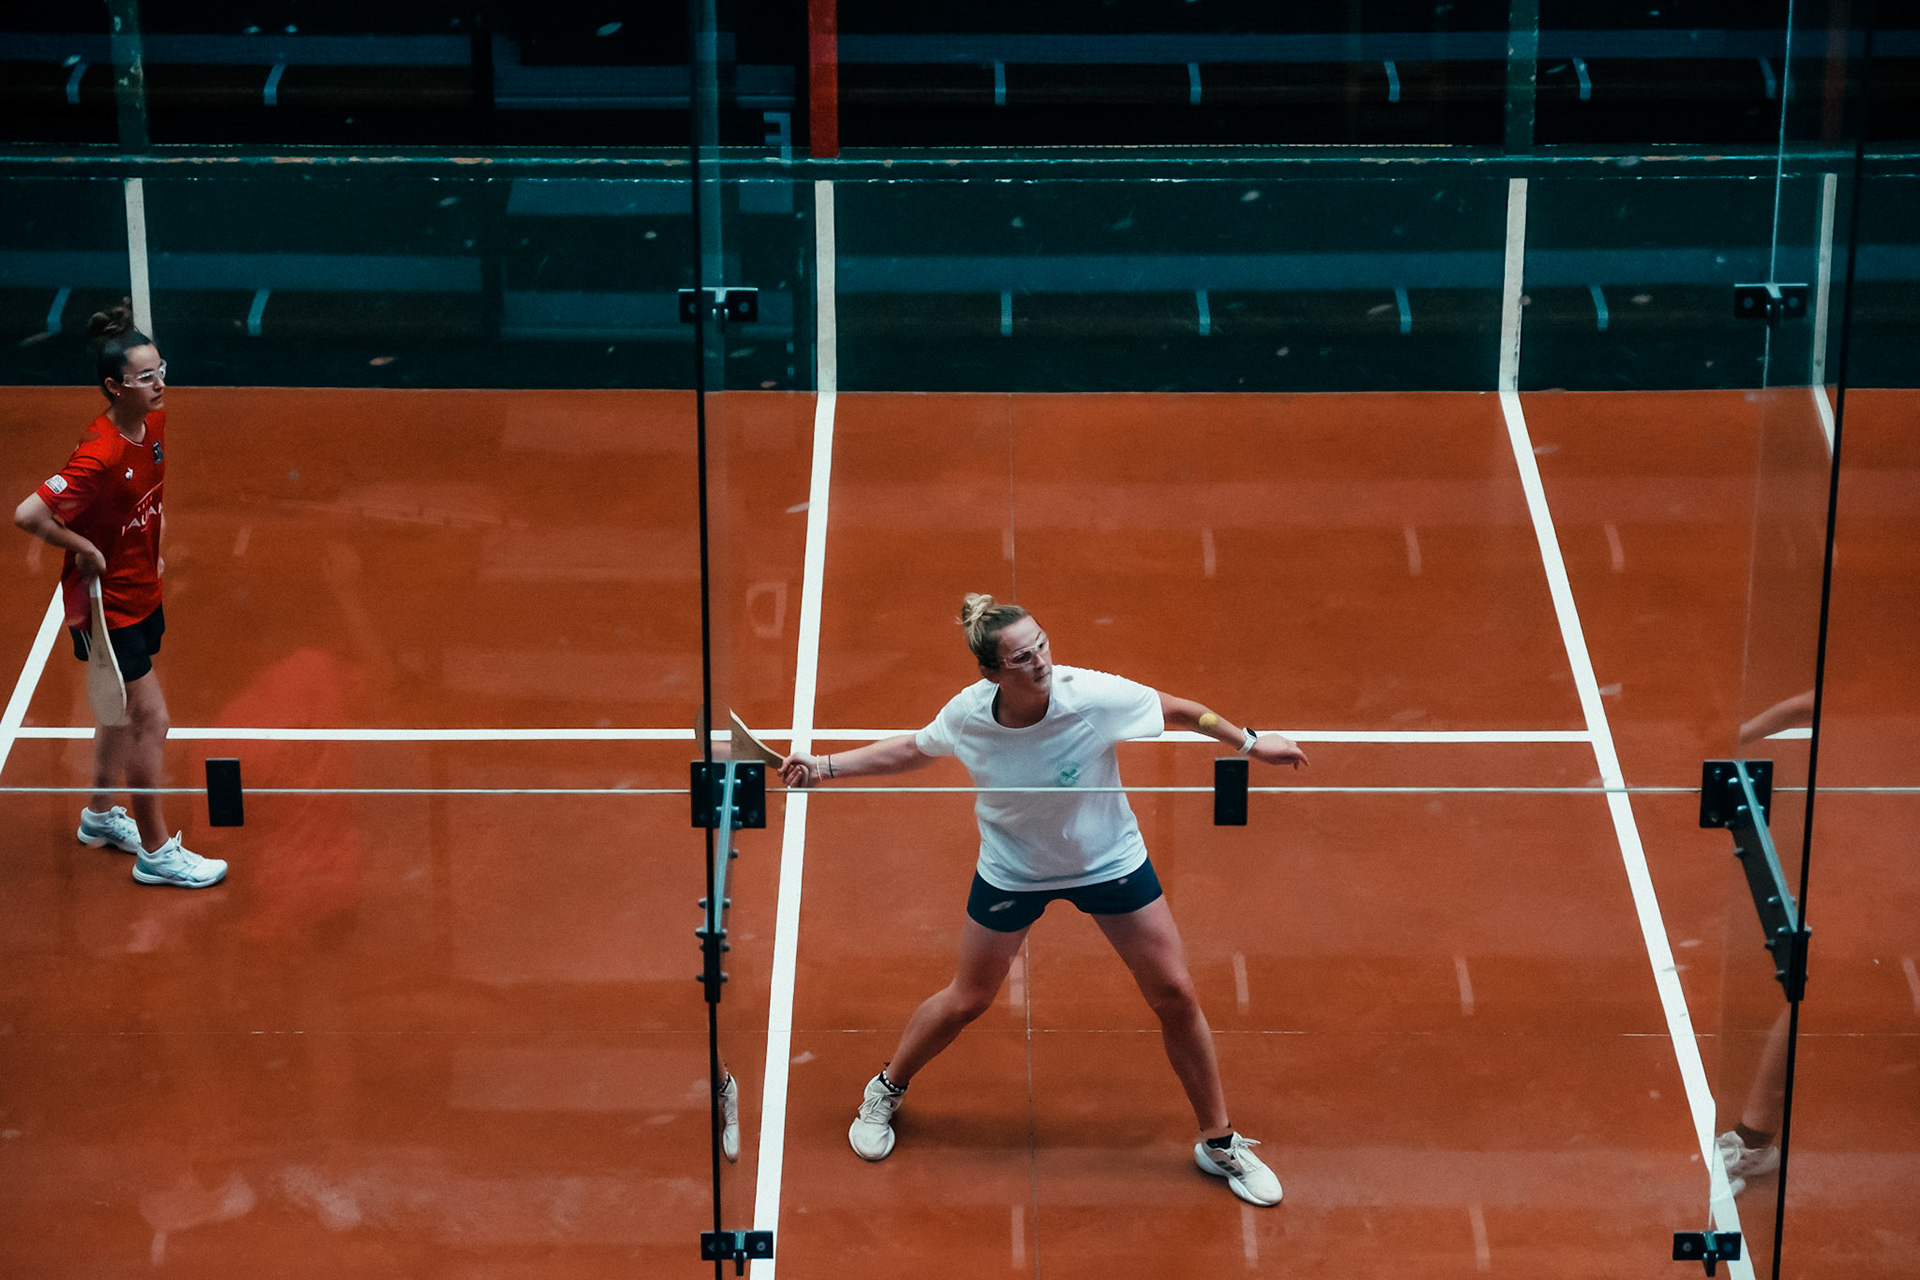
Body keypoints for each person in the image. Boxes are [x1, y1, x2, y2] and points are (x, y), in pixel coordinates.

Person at [780, 593, 1307, 1206]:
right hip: (1014, 870)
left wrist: (1249, 743)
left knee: (1175, 993)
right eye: (1023, 657)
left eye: (1042, 646)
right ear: (991, 672)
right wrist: (824, 766)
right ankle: (886, 1088)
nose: (1041, 662)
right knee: (968, 998)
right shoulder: (968, 714)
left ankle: (1219, 1142)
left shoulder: (1091, 697)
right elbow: (914, 749)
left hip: (1107, 861)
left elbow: (1185, 713)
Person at [12, 303, 226, 889]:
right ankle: (155, 851)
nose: (160, 384)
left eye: (162, 371)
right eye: (146, 376)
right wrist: (84, 546)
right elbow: (28, 514)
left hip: (142, 586)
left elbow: (147, 496)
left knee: (117, 710)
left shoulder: (151, 424)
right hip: (109, 606)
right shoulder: (99, 452)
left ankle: (101, 815)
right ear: (115, 386)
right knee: (150, 720)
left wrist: (151, 545)